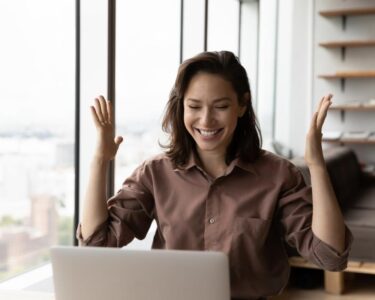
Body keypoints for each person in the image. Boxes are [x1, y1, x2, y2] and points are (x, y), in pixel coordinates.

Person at [77, 51, 352, 300]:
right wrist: (100, 160)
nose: (206, 120)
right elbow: (97, 243)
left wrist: (316, 164)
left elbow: (330, 257)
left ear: (242, 105)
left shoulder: (279, 175)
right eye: (194, 107)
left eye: (220, 106)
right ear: (181, 106)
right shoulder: (155, 173)